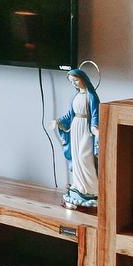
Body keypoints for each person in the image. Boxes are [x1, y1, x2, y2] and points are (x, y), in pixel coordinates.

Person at [49, 67, 99, 208]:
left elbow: (95, 115)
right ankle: (79, 186)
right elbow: (69, 115)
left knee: (85, 158)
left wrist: (95, 128)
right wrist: (58, 121)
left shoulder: (92, 97)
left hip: (86, 130)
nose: (74, 83)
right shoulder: (76, 96)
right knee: (77, 158)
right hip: (75, 127)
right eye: (72, 81)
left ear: (83, 79)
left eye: (75, 80)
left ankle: (92, 189)